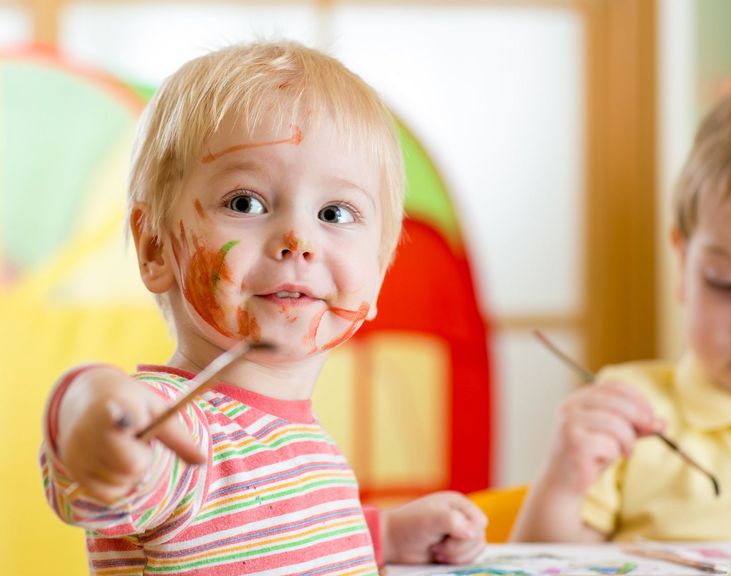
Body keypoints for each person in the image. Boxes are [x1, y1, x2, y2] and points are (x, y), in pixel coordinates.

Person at [39, 40, 486, 574]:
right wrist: (92, 408)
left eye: (335, 213)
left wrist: (382, 533)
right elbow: (104, 465)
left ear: (379, 269)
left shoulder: (303, 440)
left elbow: (278, 535)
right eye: (246, 202)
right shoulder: (180, 433)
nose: (298, 239)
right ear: (156, 246)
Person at [512, 77, 731, 542]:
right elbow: (538, 566)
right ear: (683, 262)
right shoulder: (626, 413)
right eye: (726, 283)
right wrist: (563, 486)